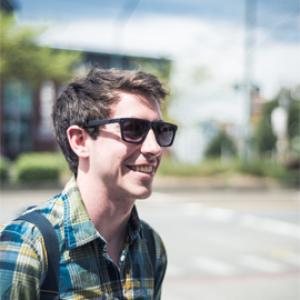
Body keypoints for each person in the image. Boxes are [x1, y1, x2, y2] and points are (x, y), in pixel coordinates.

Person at [0, 67, 178, 299]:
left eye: (161, 131)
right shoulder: (29, 244)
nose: (155, 148)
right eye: (133, 129)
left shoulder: (151, 247)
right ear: (80, 140)